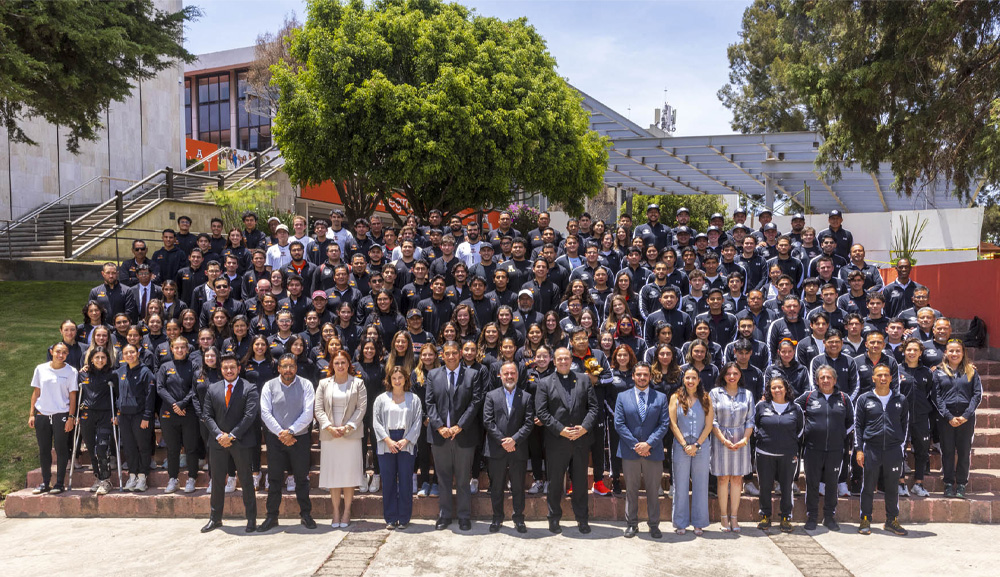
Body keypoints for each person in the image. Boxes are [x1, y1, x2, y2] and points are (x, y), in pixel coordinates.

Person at [535, 347, 600, 534]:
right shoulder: (545, 383)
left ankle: (582, 519)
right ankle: (553, 518)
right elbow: (542, 412)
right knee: (555, 483)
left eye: (566, 358)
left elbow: (594, 408)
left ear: (572, 360)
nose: (563, 362)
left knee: (580, 483)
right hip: (557, 441)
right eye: (559, 359)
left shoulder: (584, 380)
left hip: (580, 440)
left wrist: (584, 428)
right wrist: (561, 430)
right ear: (553, 362)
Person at [425, 340, 484, 531]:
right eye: (447, 353)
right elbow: (430, 403)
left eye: (454, 353)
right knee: (443, 478)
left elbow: (475, 402)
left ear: (460, 354)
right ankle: (445, 515)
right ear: (442, 355)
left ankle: (464, 516)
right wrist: (439, 426)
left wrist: (460, 426)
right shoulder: (433, 375)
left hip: (463, 435)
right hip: (440, 435)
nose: (451, 356)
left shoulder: (473, 375)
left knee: (462, 478)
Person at [257, 354, 317, 532]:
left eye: (291, 366)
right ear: (278, 368)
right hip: (275, 439)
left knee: (302, 478)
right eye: (284, 366)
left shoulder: (306, 385)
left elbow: (308, 413)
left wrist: (290, 432)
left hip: (299, 438)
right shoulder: (269, 386)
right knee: (274, 479)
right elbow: (265, 412)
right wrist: (282, 433)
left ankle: (306, 514)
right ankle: (271, 516)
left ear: (296, 368)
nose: (288, 370)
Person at [200, 352, 259, 533]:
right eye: (225, 367)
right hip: (218, 443)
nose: (229, 370)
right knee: (217, 480)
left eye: (232, 367)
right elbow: (207, 415)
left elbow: (249, 416)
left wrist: (231, 435)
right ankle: (215, 518)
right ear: (221, 370)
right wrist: (219, 435)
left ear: (239, 369)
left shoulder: (250, 388)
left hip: (240, 442)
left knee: (246, 481)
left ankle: (251, 519)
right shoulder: (213, 389)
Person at [614, 362, 670, 538]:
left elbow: (664, 424)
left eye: (645, 374)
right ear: (633, 376)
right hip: (630, 452)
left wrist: (649, 444)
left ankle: (654, 525)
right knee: (631, 489)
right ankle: (631, 524)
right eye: (638, 374)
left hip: (653, 451)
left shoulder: (660, 397)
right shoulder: (622, 397)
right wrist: (636, 445)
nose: (642, 377)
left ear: (650, 377)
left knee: (653, 490)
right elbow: (619, 424)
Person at [795, 364, 853, 531]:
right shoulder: (808, 397)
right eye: (822, 378)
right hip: (813, 448)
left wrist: (841, 434)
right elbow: (792, 409)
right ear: (817, 381)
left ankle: (829, 517)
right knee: (812, 484)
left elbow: (851, 421)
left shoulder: (843, 398)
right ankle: (812, 517)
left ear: (835, 380)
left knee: (832, 483)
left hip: (836, 450)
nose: (826, 380)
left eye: (829, 377)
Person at [315, 349, 368, 528]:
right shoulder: (324, 384)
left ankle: (346, 512)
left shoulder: (358, 383)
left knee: (348, 475)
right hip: (330, 436)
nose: (340, 366)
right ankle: (335, 512)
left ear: (348, 364)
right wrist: (329, 427)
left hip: (350, 435)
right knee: (334, 476)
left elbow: (361, 408)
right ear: (332, 365)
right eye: (336, 363)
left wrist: (348, 427)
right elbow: (319, 409)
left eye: (343, 362)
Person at [855, 363, 909, 536]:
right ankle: (865, 519)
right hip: (872, 448)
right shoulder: (864, 399)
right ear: (873, 378)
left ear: (891, 378)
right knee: (868, 485)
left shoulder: (900, 399)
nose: (883, 378)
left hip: (893, 450)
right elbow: (858, 426)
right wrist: (859, 449)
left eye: (886, 375)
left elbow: (905, 425)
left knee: (893, 487)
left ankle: (891, 520)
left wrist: (901, 448)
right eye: (879, 375)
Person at [482, 361, 534, 534]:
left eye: (513, 373)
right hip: (497, 449)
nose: (509, 376)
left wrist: (514, 440)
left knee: (518, 486)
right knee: (497, 486)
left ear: (517, 376)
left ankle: (519, 518)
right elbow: (488, 421)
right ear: (500, 375)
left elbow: (528, 423)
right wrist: (503, 441)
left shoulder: (526, 397)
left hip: (518, 449)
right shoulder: (491, 396)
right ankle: (497, 518)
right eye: (506, 374)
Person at [372, 365, 424, 530]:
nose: (397, 381)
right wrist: (387, 440)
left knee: (405, 480)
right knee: (388, 481)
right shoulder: (381, 399)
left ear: (405, 379)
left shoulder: (414, 399)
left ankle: (403, 518)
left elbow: (417, 422)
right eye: (394, 378)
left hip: (405, 441)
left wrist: (406, 440)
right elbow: (376, 421)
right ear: (389, 380)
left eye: (400, 378)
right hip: (387, 441)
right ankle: (390, 518)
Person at [933, 339, 982, 500]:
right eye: (951, 351)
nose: (954, 354)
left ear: (963, 353)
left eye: (957, 351)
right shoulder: (938, 372)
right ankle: (948, 483)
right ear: (945, 353)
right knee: (947, 451)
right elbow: (936, 396)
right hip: (946, 417)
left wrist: (966, 415)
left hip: (966, 417)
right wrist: (948, 416)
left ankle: (961, 484)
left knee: (963, 451)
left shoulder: (971, 371)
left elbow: (977, 395)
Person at [754, 376, 804, 533]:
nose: (777, 390)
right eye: (773, 388)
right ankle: (765, 515)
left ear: (786, 389)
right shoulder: (761, 406)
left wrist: (792, 448)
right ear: (769, 390)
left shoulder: (795, 408)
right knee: (765, 487)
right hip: (764, 453)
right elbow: (755, 427)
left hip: (788, 454)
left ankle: (786, 517)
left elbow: (800, 430)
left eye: (780, 387)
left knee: (787, 487)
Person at [709, 363, 755, 533]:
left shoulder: (747, 394)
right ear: (723, 375)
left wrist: (744, 439)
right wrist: (722, 439)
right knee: (722, 479)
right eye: (728, 373)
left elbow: (750, 419)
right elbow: (712, 420)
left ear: (740, 375)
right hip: (720, 438)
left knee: (737, 479)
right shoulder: (715, 393)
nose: (732, 376)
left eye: (735, 373)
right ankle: (723, 516)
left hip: (741, 439)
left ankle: (734, 517)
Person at [28, 341, 79, 495]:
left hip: (61, 415)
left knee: (61, 448)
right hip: (42, 415)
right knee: (44, 449)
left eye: (64, 352)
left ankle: (59, 483)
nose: (60, 355)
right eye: (58, 351)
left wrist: (71, 417)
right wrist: (32, 413)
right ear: (51, 352)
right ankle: (45, 482)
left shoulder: (71, 371)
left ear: (67, 354)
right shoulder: (40, 369)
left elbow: (72, 396)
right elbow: (36, 392)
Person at [669, 367, 714, 535]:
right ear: (683, 379)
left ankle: (699, 521)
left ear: (698, 380)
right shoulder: (675, 398)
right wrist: (684, 444)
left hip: (700, 445)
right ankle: (680, 523)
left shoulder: (705, 398)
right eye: (687, 377)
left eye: (693, 378)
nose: (690, 381)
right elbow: (673, 424)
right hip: (681, 445)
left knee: (701, 484)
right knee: (680, 485)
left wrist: (697, 445)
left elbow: (709, 425)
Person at [156, 337, 202, 494]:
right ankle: (173, 479)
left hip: (188, 412)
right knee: (172, 448)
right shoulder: (164, 367)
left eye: (183, 347)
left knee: (191, 447)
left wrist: (182, 403)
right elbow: (160, 388)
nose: (180, 350)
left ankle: (192, 478)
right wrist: (174, 405)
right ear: (172, 348)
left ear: (187, 349)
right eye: (177, 347)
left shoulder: (194, 366)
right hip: (169, 412)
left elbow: (195, 388)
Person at [77, 347, 117, 494]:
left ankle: (106, 480)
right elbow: (78, 395)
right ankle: (97, 478)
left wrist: (116, 414)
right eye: (97, 357)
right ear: (91, 359)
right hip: (87, 416)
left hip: (105, 416)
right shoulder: (82, 374)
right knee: (91, 449)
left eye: (103, 357)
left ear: (107, 359)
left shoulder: (112, 375)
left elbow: (117, 395)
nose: (100, 360)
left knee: (101, 448)